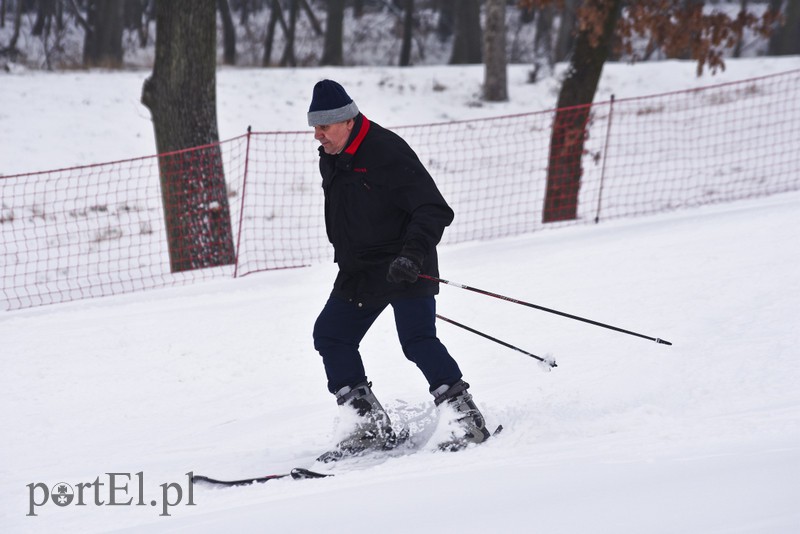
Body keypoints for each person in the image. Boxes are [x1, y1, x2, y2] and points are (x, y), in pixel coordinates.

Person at [308, 79, 491, 457]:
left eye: (324, 126)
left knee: (417, 340)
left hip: (406, 262)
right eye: (314, 127)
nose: (317, 135)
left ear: (346, 121)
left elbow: (432, 209)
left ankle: (466, 421)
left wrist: (411, 256)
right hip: (361, 270)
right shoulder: (333, 157)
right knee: (331, 335)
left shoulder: (385, 151)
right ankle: (366, 427)